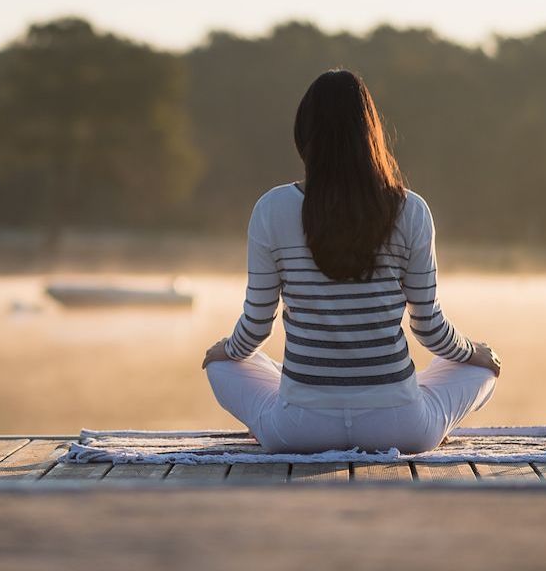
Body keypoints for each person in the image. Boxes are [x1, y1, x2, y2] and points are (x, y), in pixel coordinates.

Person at [202, 68, 501, 454]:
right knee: (480, 368)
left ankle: (281, 404)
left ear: (304, 136)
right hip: (401, 427)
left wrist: (226, 350)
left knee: (222, 366)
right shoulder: (410, 209)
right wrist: (472, 352)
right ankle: (417, 408)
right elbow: (429, 327)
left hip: (296, 431)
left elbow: (257, 326)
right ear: (371, 135)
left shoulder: (271, 209)